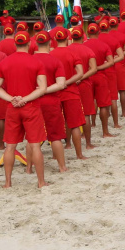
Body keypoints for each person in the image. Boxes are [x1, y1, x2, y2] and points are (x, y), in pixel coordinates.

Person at [0, 31, 48, 188]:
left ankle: (8, 183)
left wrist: (12, 98)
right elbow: (42, 88)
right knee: (35, 145)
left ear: (15, 44)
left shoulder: (5, 62)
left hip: (12, 107)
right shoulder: (36, 62)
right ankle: (41, 182)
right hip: (30, 107)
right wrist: (25, 99)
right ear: (29, 44)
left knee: (10, 146)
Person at [32, 31, 69, 174]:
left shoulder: (30, 60)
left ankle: (29, 168)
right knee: (56, 136)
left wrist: (38, 91)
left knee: (33, 138)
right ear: (50, 42)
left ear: (35, 43)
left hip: (33, 100)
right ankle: (62, 166)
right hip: (51, 101)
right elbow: (61, 84)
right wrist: (44, 89)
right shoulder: (55, 61)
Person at [50, 28, 88, 160]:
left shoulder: (51, 54)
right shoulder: (72, 53)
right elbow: (80, 73)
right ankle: (79, 154)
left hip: (54, 92)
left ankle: (56, 155)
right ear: (67, 38)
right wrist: (67, 82)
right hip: (71, 91)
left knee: (55, 125)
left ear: (55, 39)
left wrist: (59, 83)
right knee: (75, 124)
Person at [67, 26, 99, 149]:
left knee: (68, 114)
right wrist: (81, 77)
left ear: (71, 37)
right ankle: (88, 143)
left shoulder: (67, 50)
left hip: (69, 84)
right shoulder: (87, 50)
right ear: (82, 36)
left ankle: (68, 144)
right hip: (84, 84)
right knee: (86, 113)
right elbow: (94, 69)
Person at [83, 23, 116, 138]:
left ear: (87, 33)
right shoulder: (103, 45)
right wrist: (98, 68)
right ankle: (105, 131)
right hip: (100, 76)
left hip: (87, 77)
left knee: (87, 106)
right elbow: (111, 62)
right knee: (103, 105)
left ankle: (85, 133)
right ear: (98, 33)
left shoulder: (84, 45)